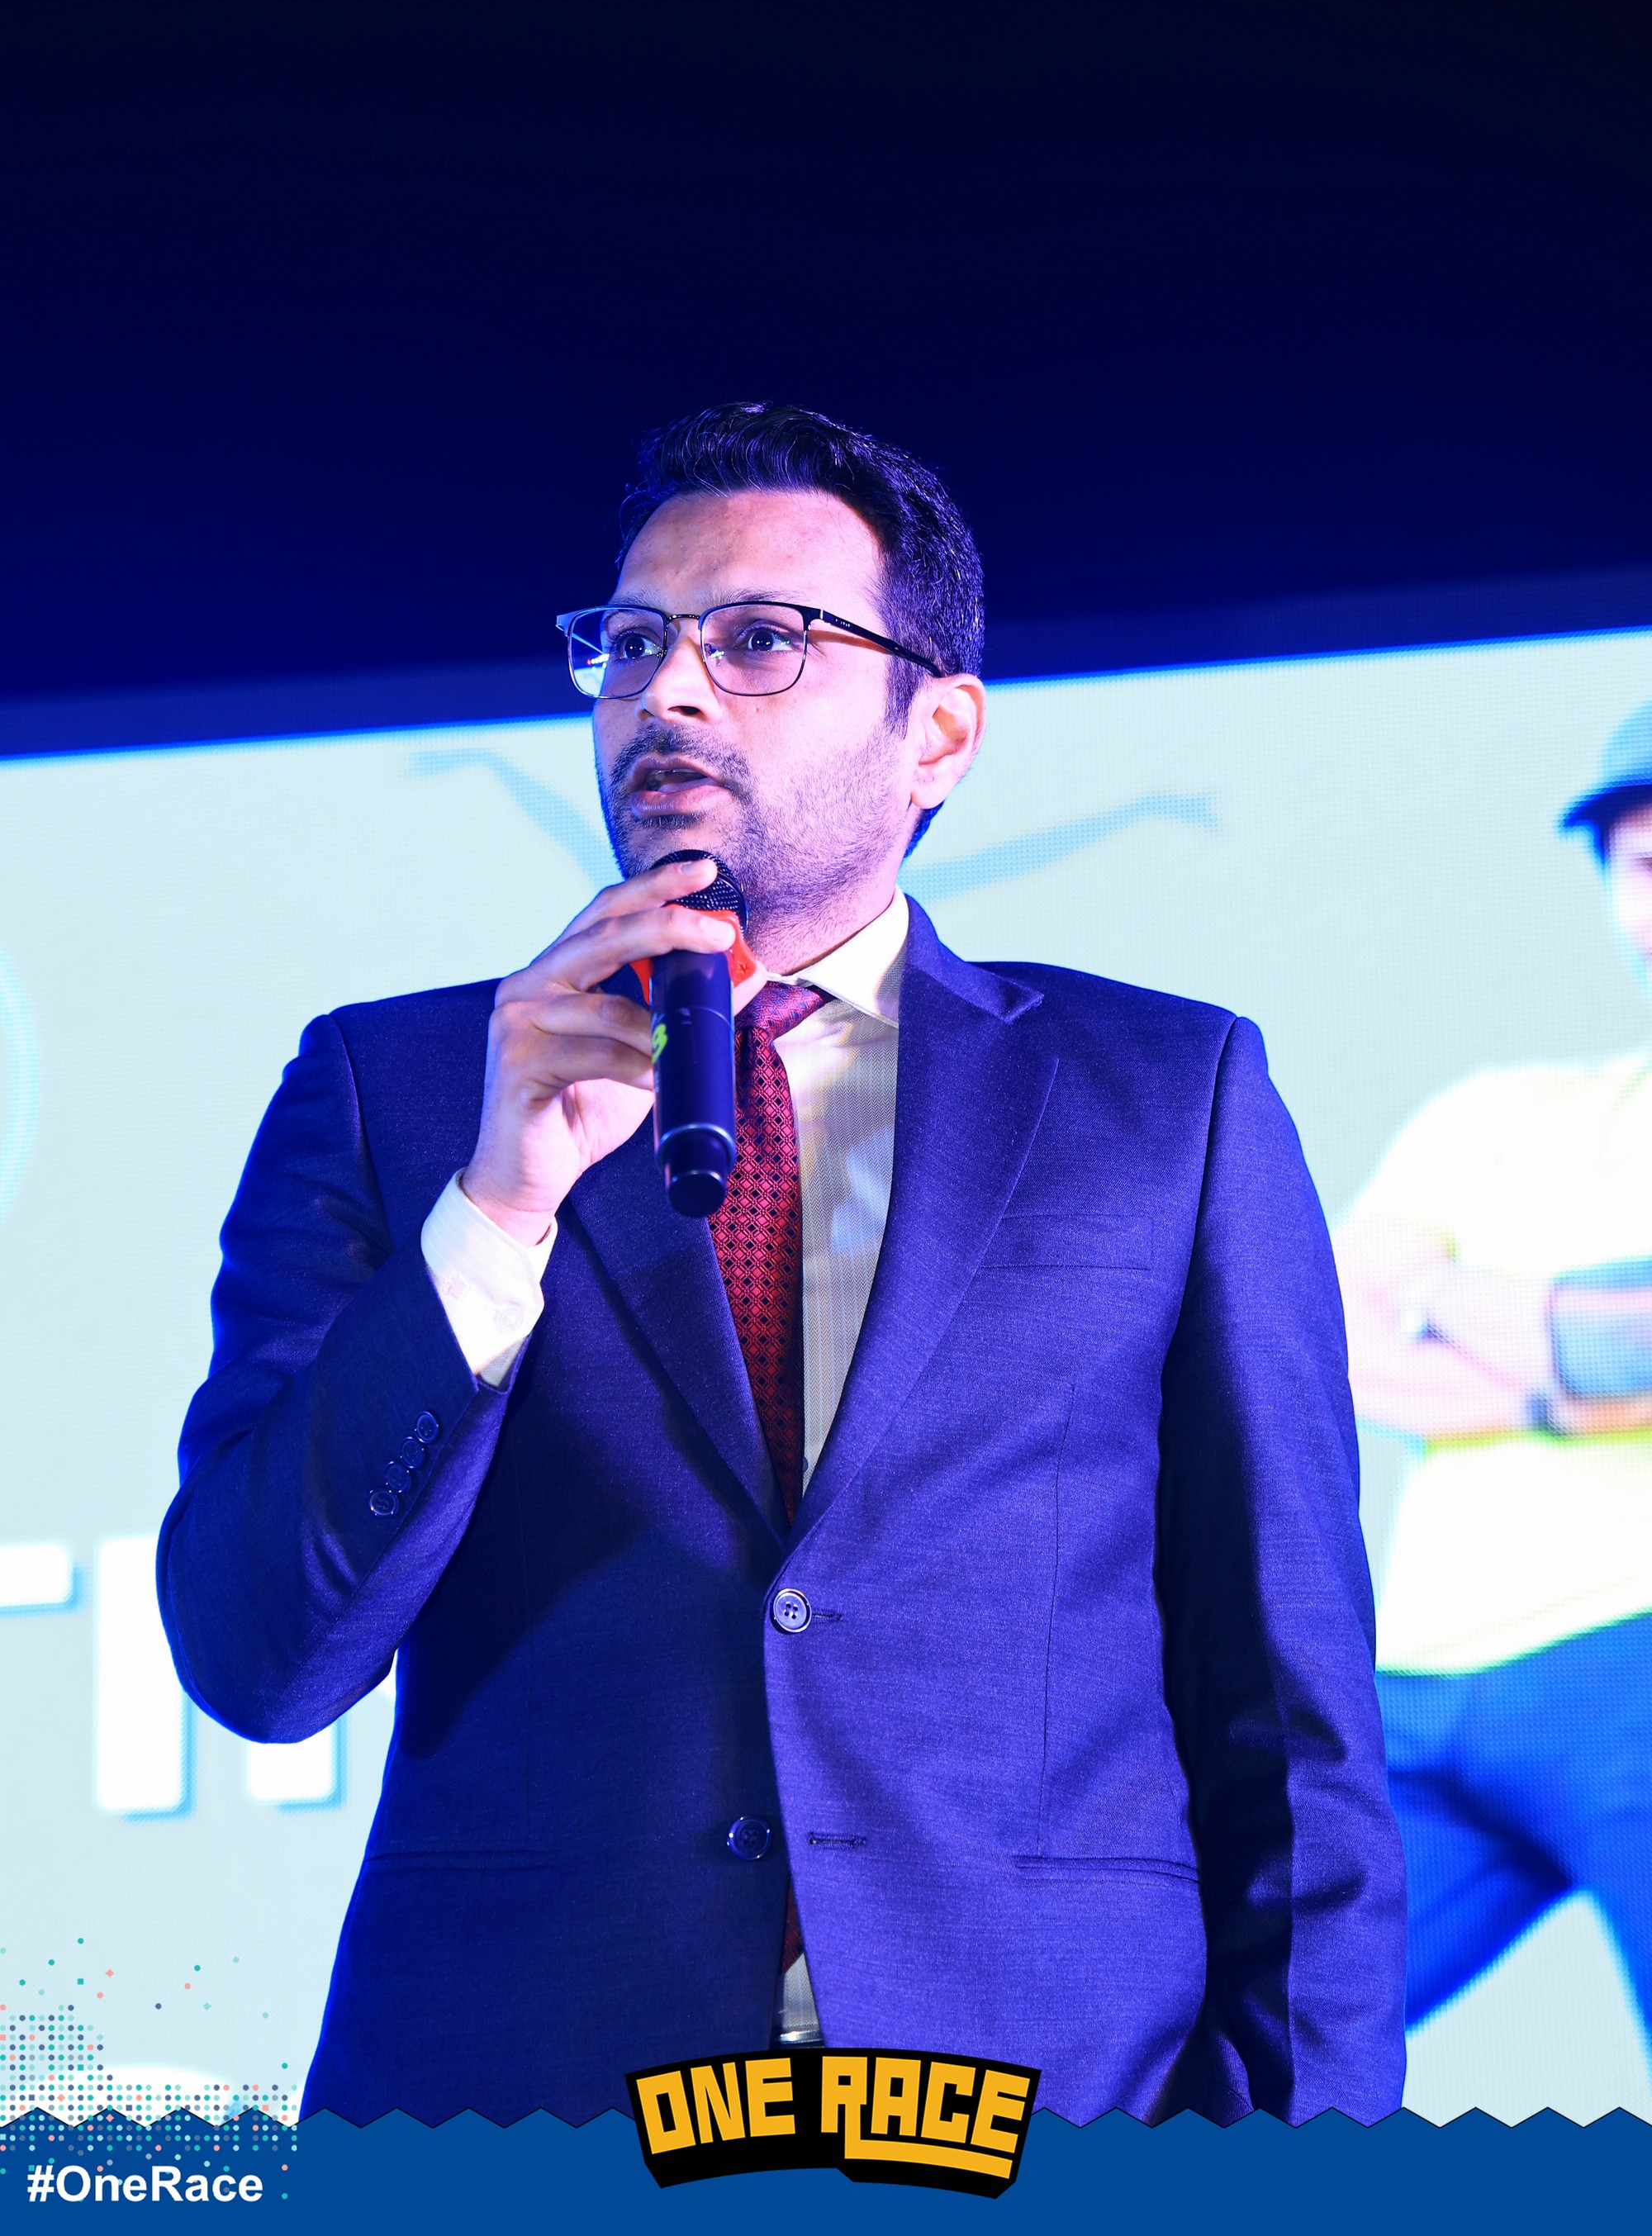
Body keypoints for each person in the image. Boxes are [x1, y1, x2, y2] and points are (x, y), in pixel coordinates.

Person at [159, 401, 1404, 2129]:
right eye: (631, 644)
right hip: (531, 2118)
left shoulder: (1164, 1097)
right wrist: (496, 1211)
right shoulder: (400, 1090)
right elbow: (254, 1655)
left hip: (1048, 2114)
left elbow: (1293, 1725)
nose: (666, 693)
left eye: (757, 642)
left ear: (938, 731)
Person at [1336, 700, 1652, 2042]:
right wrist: (1566, 1368)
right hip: (1416, 1693)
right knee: (1221, 2071)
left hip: (1633, 1666)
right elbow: (1333, 1339)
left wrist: (1445, 1299)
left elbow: (1633, 1345)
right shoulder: (1494, 1112)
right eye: (1647, 866)